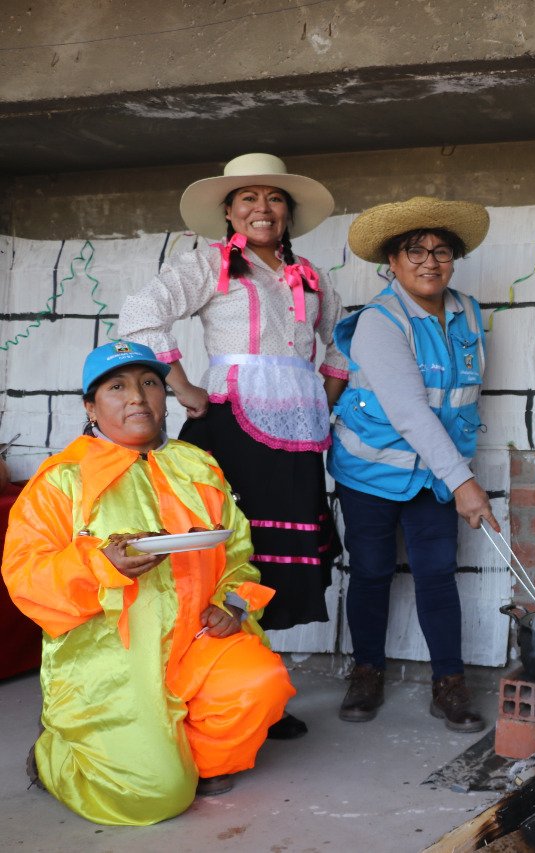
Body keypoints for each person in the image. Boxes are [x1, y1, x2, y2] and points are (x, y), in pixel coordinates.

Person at [2, 341, 294, 825]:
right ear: (90, 407)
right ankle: (56, 755)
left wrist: (234, 605)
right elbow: (25, 577)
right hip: (114, 659)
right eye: (117, 386)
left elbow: (239, 555)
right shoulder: (62, 481)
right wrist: (101, 563)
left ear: (165, 396)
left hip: (197, 644)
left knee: (260, 683)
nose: (137, 397)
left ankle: (197, 760)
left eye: (150, 383)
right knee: (156, 797)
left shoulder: (198, 466)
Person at [118, 153, 347, 739]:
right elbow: (142, 314)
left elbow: (339, 342)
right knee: (226, 554)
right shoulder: (211, 266)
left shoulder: (314, 275)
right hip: (231, 425)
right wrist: (184, 387)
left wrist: (320, 393)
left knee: (269, 557)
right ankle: (207, 693)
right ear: (228, 210)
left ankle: (253, 693)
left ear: (288, 212)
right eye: (248, 198)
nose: (262, 209)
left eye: (274, 199)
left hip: (295, 434)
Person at [327, 196, 498, 731]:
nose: (430, 261)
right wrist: (465, 482)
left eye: (441, 251)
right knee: (373, 573)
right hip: (372, 471)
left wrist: (452, 473)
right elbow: (408, 412)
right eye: (415, 251)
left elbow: (463, 394)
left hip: (433, 474)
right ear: (392, 264)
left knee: (436, 575)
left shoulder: (467, 312)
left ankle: (449, 683)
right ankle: (367, 672)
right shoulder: (380, 321)